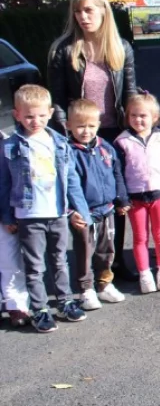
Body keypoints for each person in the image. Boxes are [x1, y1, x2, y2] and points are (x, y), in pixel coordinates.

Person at [47, 0, 138, 283]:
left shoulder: (121, 47)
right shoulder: (64, 50)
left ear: (103, 11)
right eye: (77, 10)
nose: (83, 16)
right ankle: (86, 269)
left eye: (88, 10)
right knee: (83, 203)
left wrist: (137, 128)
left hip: (112, 134)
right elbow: (57, 100)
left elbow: (130, 93)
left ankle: (115, 262)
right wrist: (67, 137)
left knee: (114, 200)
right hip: (77, 137)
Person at [0, 85, 92, 333]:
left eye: (41, 115)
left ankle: (64, 302)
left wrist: (79, 209)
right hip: (29, 216)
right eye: (29, 116)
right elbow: (5, 184)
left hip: (58, 213)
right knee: (35, 266)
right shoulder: (11, 146)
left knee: (60, 261)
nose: (35, 121)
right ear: (17, 115)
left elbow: (71, 179)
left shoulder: (59, 143)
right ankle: (40, 308)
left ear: (50, 113)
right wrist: (7, 216)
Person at [66, 99, 129, 309]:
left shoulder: (106, 148)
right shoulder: (68, 152)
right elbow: (65, 185)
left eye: (91, 126)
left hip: (107, 209)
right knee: (85, 250)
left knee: (107, 248)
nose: (86, 131)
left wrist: (121, 199)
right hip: (84, 213)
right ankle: (86, 289)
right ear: (68, 125)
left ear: (99, 125)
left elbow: (117, 173)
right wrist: (71, 211)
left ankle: (105, 283)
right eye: (80, 126)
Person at [114, 94, 160, 294]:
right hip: (135, 197)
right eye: (133, 115)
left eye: (143, 115)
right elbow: (118, 173)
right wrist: (122, 198)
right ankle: (144, 273)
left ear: (155, 117)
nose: (138, 120)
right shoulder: (122, 142)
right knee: (140, 238)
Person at [0, 125, 29, 327]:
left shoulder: (9, 143)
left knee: (11, 261)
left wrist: (8, 215)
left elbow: (11, 182)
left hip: (5, 213)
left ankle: (16, 305)